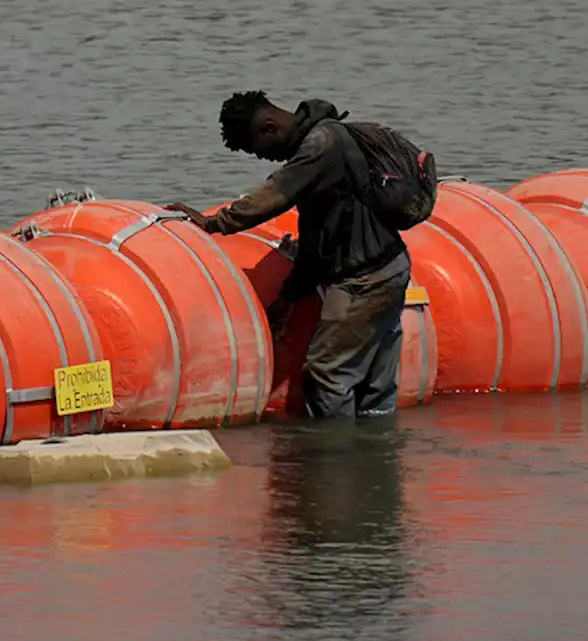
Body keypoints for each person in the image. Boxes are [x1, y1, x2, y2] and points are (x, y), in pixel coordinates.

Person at [167, 92, 412, 420]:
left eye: (258, 150)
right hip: (390, 268)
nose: (264, 159)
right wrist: (289, 296)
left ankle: (333, 462)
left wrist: (213, 223)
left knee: (327, 377)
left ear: (269, 128)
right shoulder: (328, 143)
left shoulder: (320, 146)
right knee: (375, 389)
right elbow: (315, 241)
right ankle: (375, 461)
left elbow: (273, 195)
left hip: (363, 282)